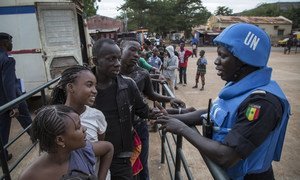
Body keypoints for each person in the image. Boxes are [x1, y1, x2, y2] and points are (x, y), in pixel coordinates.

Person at [155, 23, 290, 179]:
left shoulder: (263, 102)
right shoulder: (238, 85)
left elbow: (225, 156)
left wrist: (182, 129)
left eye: (223, 56)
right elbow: (215, 113)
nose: (216, 62)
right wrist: (170, 116)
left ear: (245, 61)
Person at [119, 38, 185, 180]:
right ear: (120, 50)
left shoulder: (142, 74)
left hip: (139, 125)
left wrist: (170, 99)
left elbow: (151, 94)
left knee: (142, 163)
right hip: (118, 128)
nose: (136, 54)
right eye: (132, 49)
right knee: (122, 166)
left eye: (139, 51)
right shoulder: (112, 73)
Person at [92, 38, 149, 180]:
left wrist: (177, 113)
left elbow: (144, 111)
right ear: (95, 61)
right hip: (91, 157)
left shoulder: (128, 85)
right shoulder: (81, 86)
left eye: (118, 58)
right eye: (111, 59)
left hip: (121, 158)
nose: (117, 64)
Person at [49, 65, 114, 180]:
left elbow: (101, 145)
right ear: (71, 87)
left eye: (95, 86)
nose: (95, 91)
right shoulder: (55, 119)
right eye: (89, 85)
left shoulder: (97, 115)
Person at [19, 105, 110, 180]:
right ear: (60, 140)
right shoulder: (31, 176)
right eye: (78, 127)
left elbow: (109, 148)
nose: (84, 128)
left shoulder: (83, 150)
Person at [0, 32, 32, 161]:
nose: (11, 44)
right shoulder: (7, 60)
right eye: (9, 41)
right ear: (3, 43)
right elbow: (8, 84)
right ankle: (37, 137)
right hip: (11, 98)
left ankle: (2, 154)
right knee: (25, 118)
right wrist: (14, 105)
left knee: (2, 128)